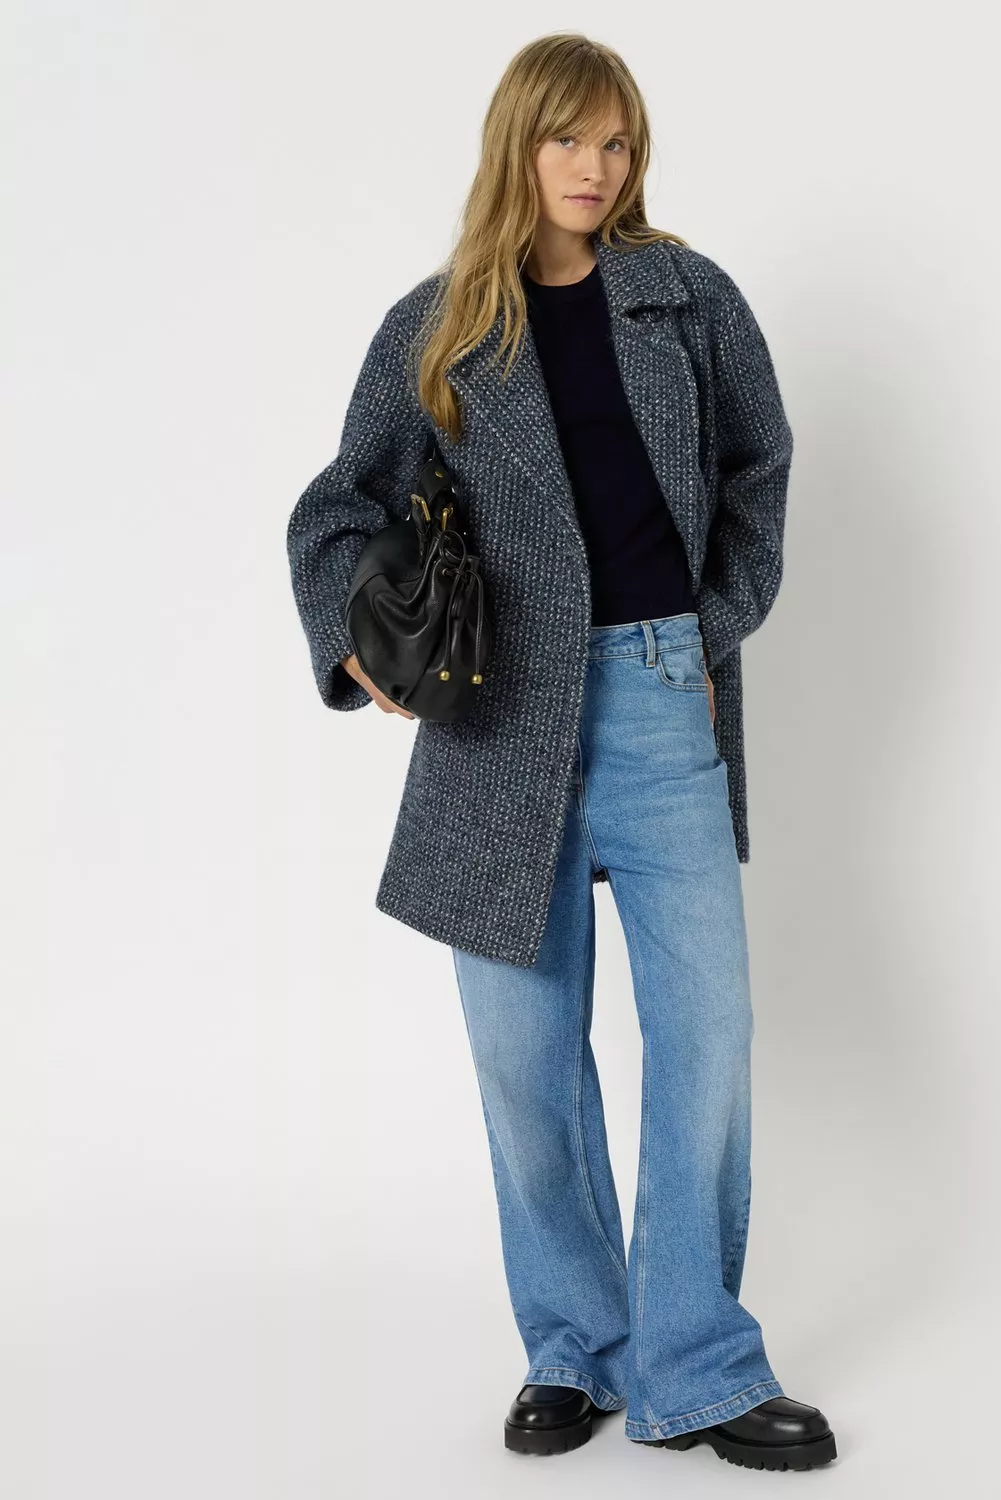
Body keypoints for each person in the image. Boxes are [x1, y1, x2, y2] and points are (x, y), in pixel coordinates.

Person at [286, 32, 837, 1473]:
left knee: (707, 1043)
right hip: (496, 723)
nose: (597, 168)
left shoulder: (685, 300)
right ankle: (575, 1349)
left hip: (660, 697)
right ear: (517, 146)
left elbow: (762, 466)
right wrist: (360, 643)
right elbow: (339, 506)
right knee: (525, 1062)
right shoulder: (441, 327)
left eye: (618, 141)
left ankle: (697, 1362)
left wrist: (712, 624)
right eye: (569, 139)